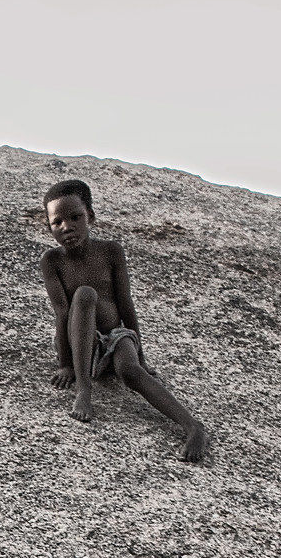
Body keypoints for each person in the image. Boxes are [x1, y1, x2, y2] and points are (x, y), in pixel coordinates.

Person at [41, 180, 208, 465]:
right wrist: (65, 364)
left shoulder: (110, 251)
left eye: (75, 217)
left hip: (117, 335)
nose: (66, 227)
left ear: (90, 216)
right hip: (82, 341)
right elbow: (61, 312)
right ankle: (85, 389)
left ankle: (193, 426)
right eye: (57, 222)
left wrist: (140, 354)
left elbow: (125, 303)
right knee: (84, 295)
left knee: (130, 371)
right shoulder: (52, 261)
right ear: (49, 228)